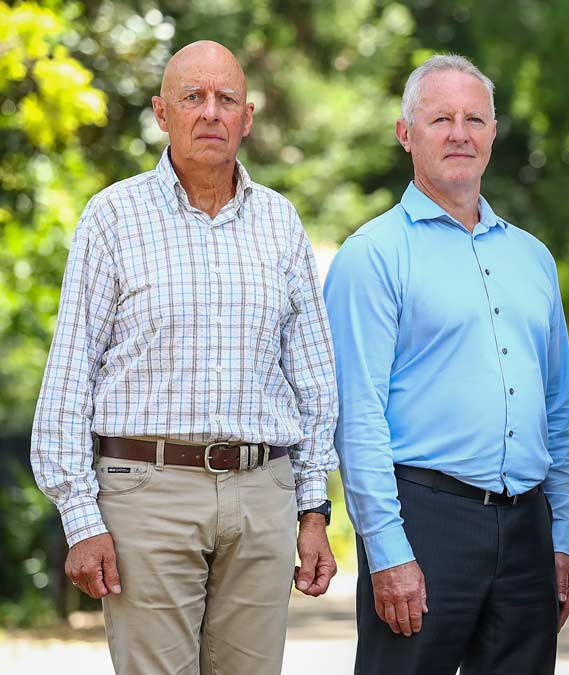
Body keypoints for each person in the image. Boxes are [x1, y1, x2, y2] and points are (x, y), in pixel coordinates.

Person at [30, 40, 339, 675]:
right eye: (192, 97)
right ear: (161, 113)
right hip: (147, 494)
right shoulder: (112, 217)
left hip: (262, 495)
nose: (210, 113)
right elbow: (70, 373)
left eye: (226, 99)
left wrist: (314, 509)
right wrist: (81, 517)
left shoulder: (280, 223)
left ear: (247, 118)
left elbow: (313, 380)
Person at [323, 54, 569, 675]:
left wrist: (559, 538)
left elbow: (555, 411)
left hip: (525, 529)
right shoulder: (373, 256)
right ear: (406, 134)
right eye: (440, 118)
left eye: (475, 118)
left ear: (493, 133)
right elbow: (356, 419)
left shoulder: (533, 258)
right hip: (424, 523)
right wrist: (386, 551)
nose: (459, 133)